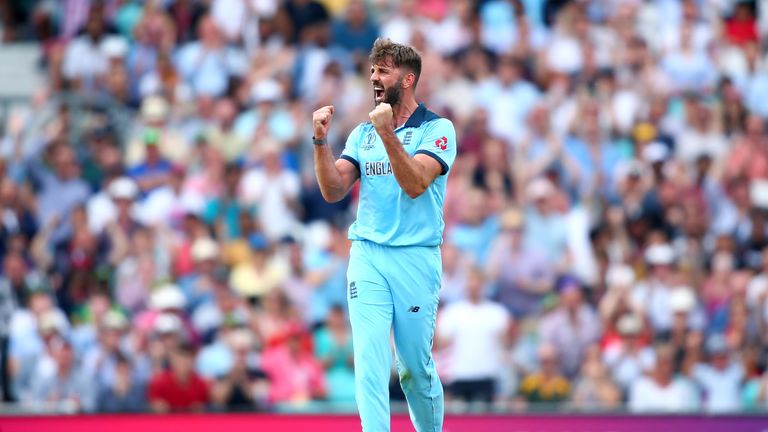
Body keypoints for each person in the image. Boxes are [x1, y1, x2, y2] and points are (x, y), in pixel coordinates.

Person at [312, 38, 457, 432]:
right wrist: (320, 141)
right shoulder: (362, 133)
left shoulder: (438, 128)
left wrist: (388, 132)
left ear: (408, 79)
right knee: (370, 363)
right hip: (368, 253)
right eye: (373, 70)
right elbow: (333, 189)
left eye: (384, 71)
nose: (375, 78)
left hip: (415, 257)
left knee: (413, 369)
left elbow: (414, 184)